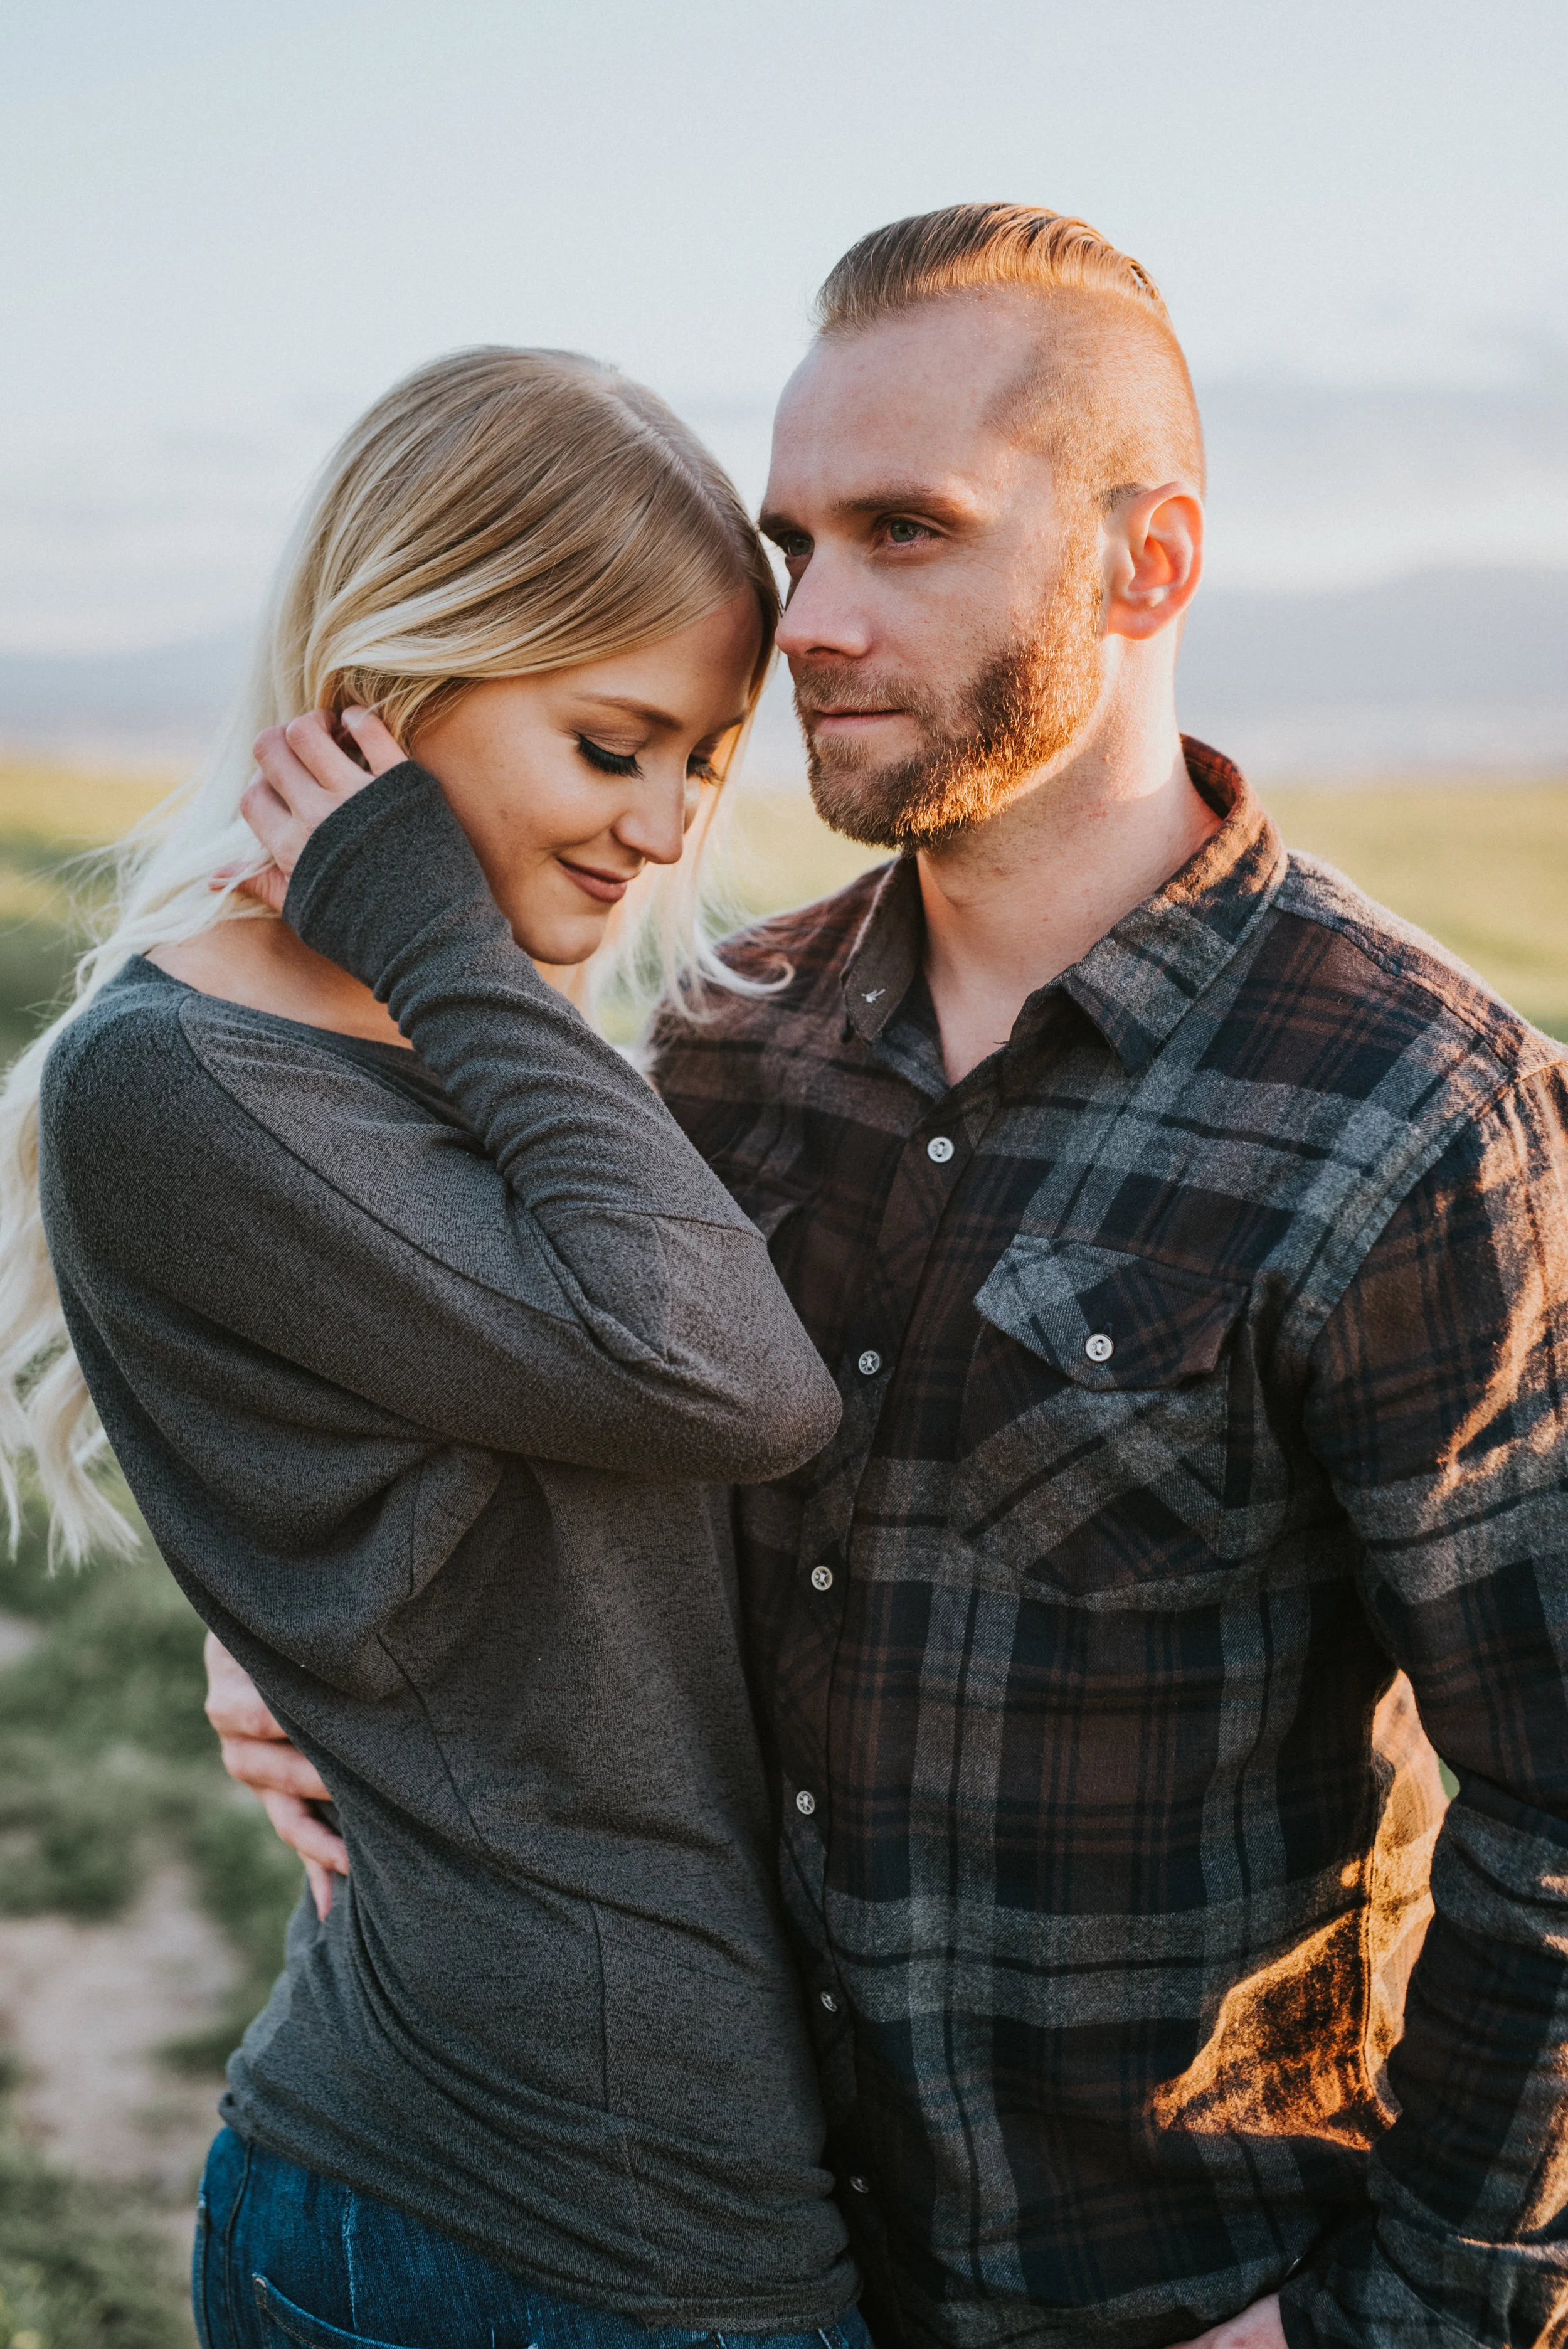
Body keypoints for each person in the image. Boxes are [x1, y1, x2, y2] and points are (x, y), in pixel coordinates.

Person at [225, 206, 1568, 2348]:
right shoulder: (714, 1041)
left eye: (905, 533)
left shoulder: (1413, 1117)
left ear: (1147, 561)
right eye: (791, 543)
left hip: (1153, 2288)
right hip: (716, 2259)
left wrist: (1408, 2315)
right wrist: (287, 1653)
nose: (809, 625)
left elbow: (1554, 1800)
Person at [3, 349, 873, 2349]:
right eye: (608, 743)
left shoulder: (451, 1031)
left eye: (701, 757)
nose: (664, 825)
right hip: (515, 2225)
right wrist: (448, 948)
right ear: (390, 697)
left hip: (637, 2189)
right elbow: (730, 1381)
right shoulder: (195, 1078)